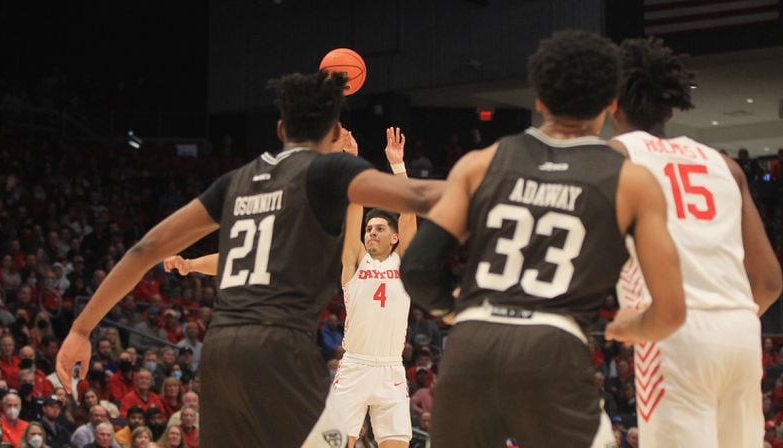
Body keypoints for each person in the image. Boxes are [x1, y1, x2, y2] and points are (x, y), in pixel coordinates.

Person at [57, 70, 441, 448]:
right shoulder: (324, 177)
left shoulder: (237, 180)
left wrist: (80, 328)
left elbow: (145, 250)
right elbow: (415, 200)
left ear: (279, 129)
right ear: (334, 133)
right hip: (281, 346)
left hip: (223, 345)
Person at [400, 30, 686, 447]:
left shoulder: (482, 163)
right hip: (554, 347)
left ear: (538, 99)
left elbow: (418, 268)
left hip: (471, 346)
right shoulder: (633, 181)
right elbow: (672, 311)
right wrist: (631, 326)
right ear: (611, 104)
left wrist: (454, 308)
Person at [609, 37, 783, 448]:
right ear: (670, 109)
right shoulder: (725, 165)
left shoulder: (613, 156)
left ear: (610, 103)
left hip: (672, 333)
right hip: (740, 330)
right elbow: (771, 282)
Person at [330, 126, 416, 448]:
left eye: (380, 228)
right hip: (355, 366)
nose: (371, 233)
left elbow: (408, 215)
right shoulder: (354, 263)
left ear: (394, 238)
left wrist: (398, 167)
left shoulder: (403, 264)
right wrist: (352, 162)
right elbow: (354, 208)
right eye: (369, 229)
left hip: (391, 369)